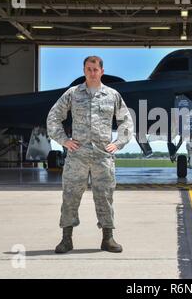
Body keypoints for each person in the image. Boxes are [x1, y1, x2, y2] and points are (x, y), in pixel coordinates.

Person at [46, 55, 134, 253]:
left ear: (101, 71)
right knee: (70, 196)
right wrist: (63, 140)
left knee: (105, 196)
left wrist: (118, 143)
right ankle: (66, 239)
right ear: (84, 71)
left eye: (95, 69)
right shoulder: (73, 94)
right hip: (77, 155)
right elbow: (53, 117)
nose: (92, 73)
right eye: (88, 69)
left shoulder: (112, 95)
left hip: (103, 156)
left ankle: (108, 239)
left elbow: (126, 121)